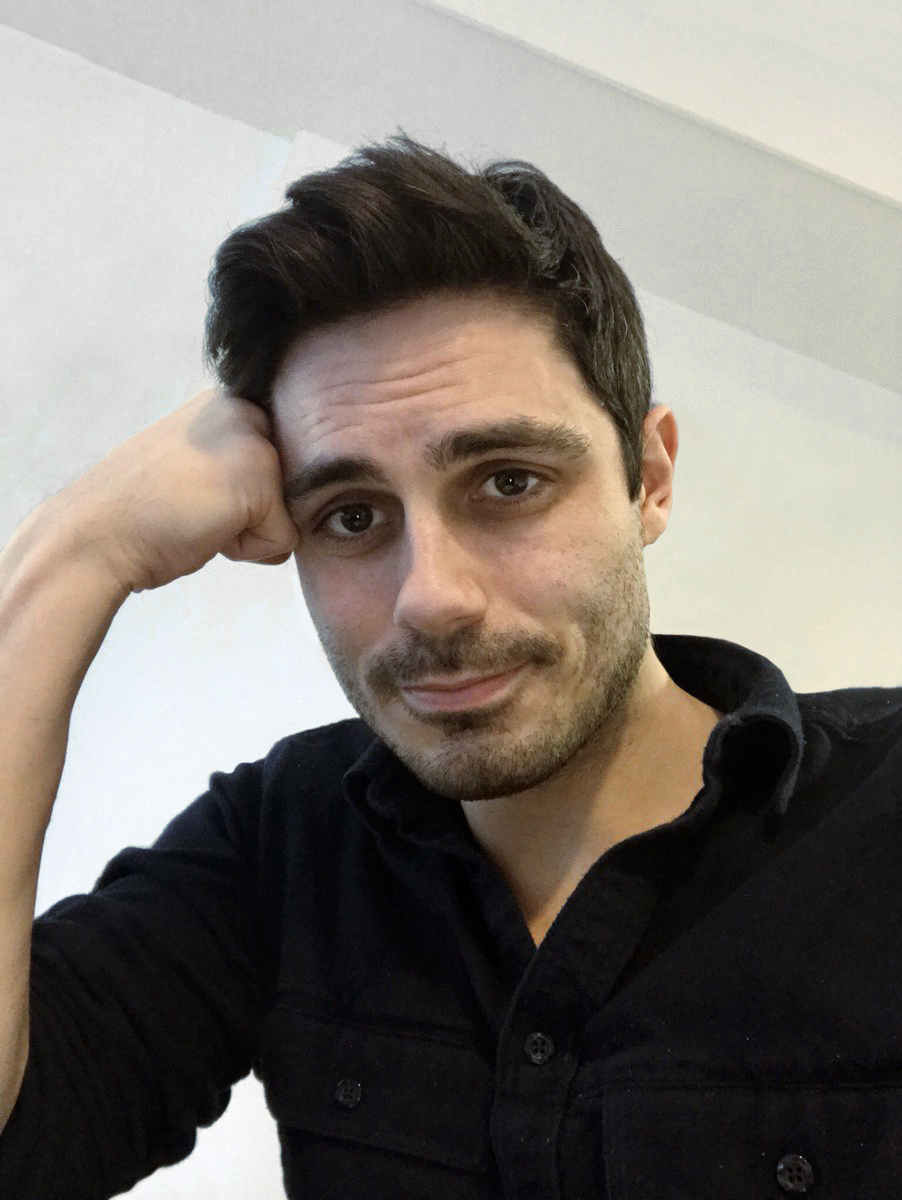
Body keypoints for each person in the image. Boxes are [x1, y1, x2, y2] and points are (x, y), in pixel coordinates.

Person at [0, 133, 900, 1200]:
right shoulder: (283, 843)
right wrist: (70, 557)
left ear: (648, 478)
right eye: (351, 515)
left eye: (508, 482)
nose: (429, 597)